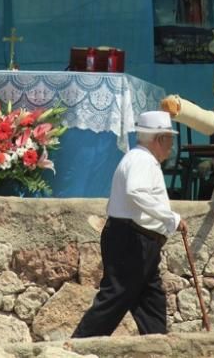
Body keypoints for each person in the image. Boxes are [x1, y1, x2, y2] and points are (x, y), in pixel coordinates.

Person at [72, 110, 187, 337]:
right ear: (159, 139)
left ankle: (157, 348)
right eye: (170, 141)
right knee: (115, 296)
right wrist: (171, 218)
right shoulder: (141, 160)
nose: (171, 147)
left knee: (150, 300)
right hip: (132, 241)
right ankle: (78, 347)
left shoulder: (142, 159)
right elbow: (136, 191)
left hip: (140, 241)